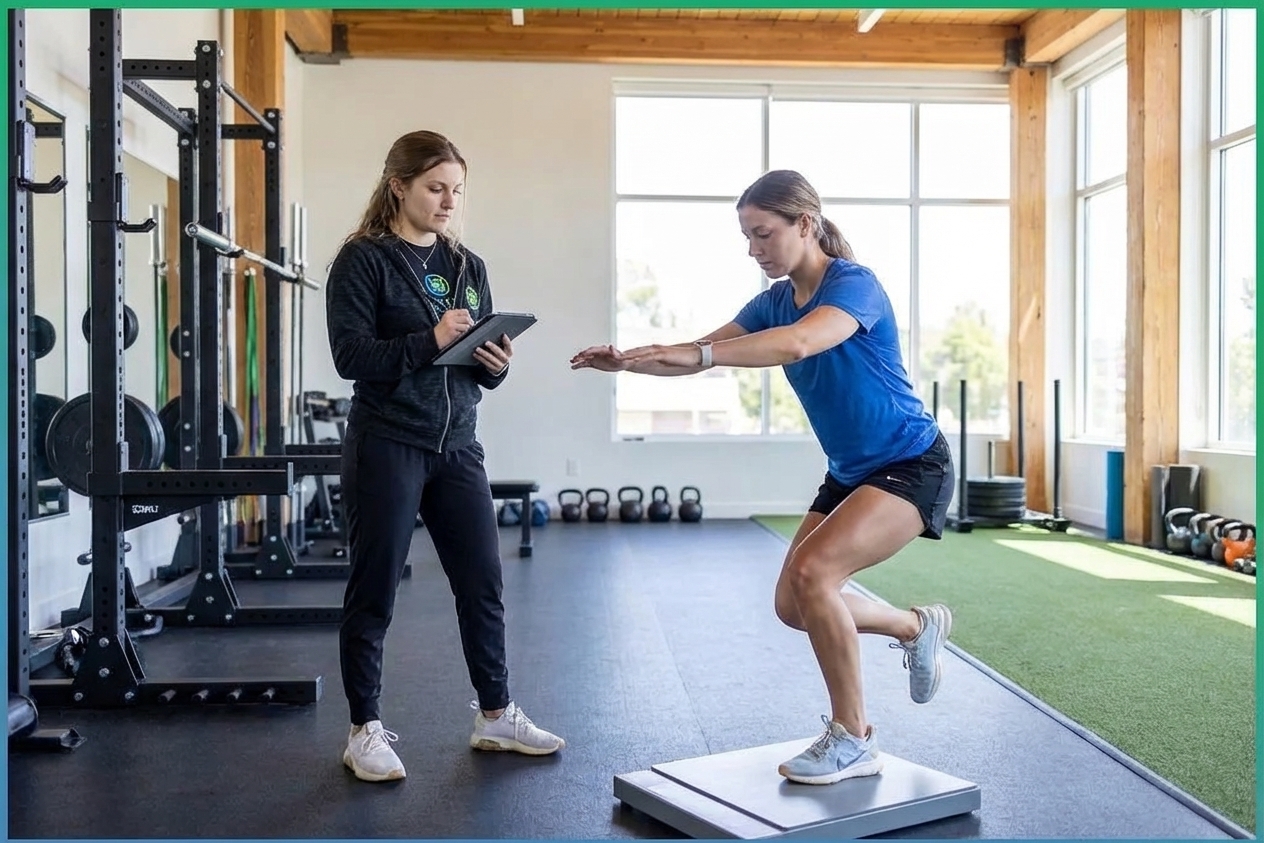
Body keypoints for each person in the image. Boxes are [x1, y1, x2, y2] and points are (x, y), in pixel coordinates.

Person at [570, 169, 954, 786]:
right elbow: (698, 350)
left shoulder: (855, 286)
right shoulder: (772, 300)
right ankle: (915, 626)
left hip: (912, 463)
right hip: (850, 473)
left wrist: (699, 353)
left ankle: (854, 738)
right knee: (792, 603)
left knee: (813, 574)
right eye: (747, 237)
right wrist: (628, 361)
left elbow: (800, 344)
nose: (754, 249)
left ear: (806, 224)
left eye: (763, 234)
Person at [325, 130, 565, 783]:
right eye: (436, 187)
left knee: (483, 583)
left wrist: (496, 362)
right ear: (399, 184)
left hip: (457, 444)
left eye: (456, 189)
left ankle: (494, 714)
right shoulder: (362, 260)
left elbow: (475, 370)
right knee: (374, 588)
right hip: (388, 441)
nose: (447, 200)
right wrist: (429, 339)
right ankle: (363, 728)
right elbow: (353, 359)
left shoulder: (468, 265)